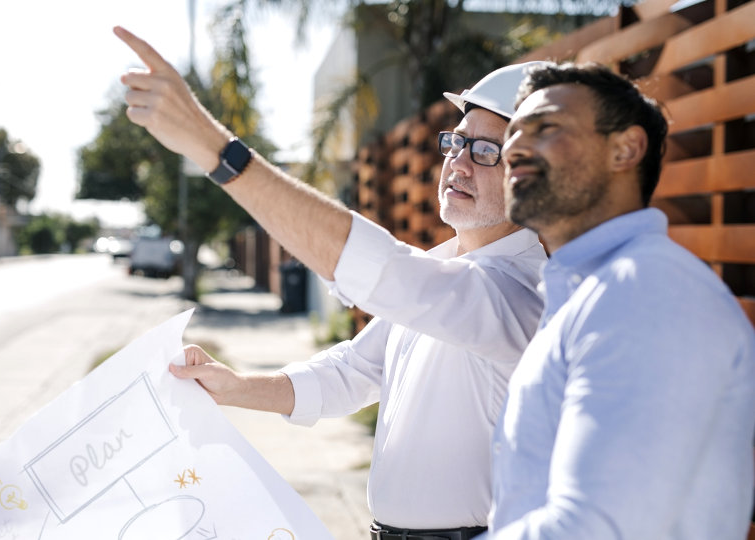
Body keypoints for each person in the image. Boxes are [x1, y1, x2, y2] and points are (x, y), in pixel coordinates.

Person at [114, 26, 548, 538]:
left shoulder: (524, 293)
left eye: (486, 152)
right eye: (457, 142)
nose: (457, 163)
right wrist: (238, 388)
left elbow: (382, 269)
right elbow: (353, 371)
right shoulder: (449, 267)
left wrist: (214, 149)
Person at [480, 62, 755, 539]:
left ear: (626, 149)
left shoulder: (645, 289)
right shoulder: (589, 290)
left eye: (545, 128)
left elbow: (596, 528)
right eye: (514, 133)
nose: (514, 148)